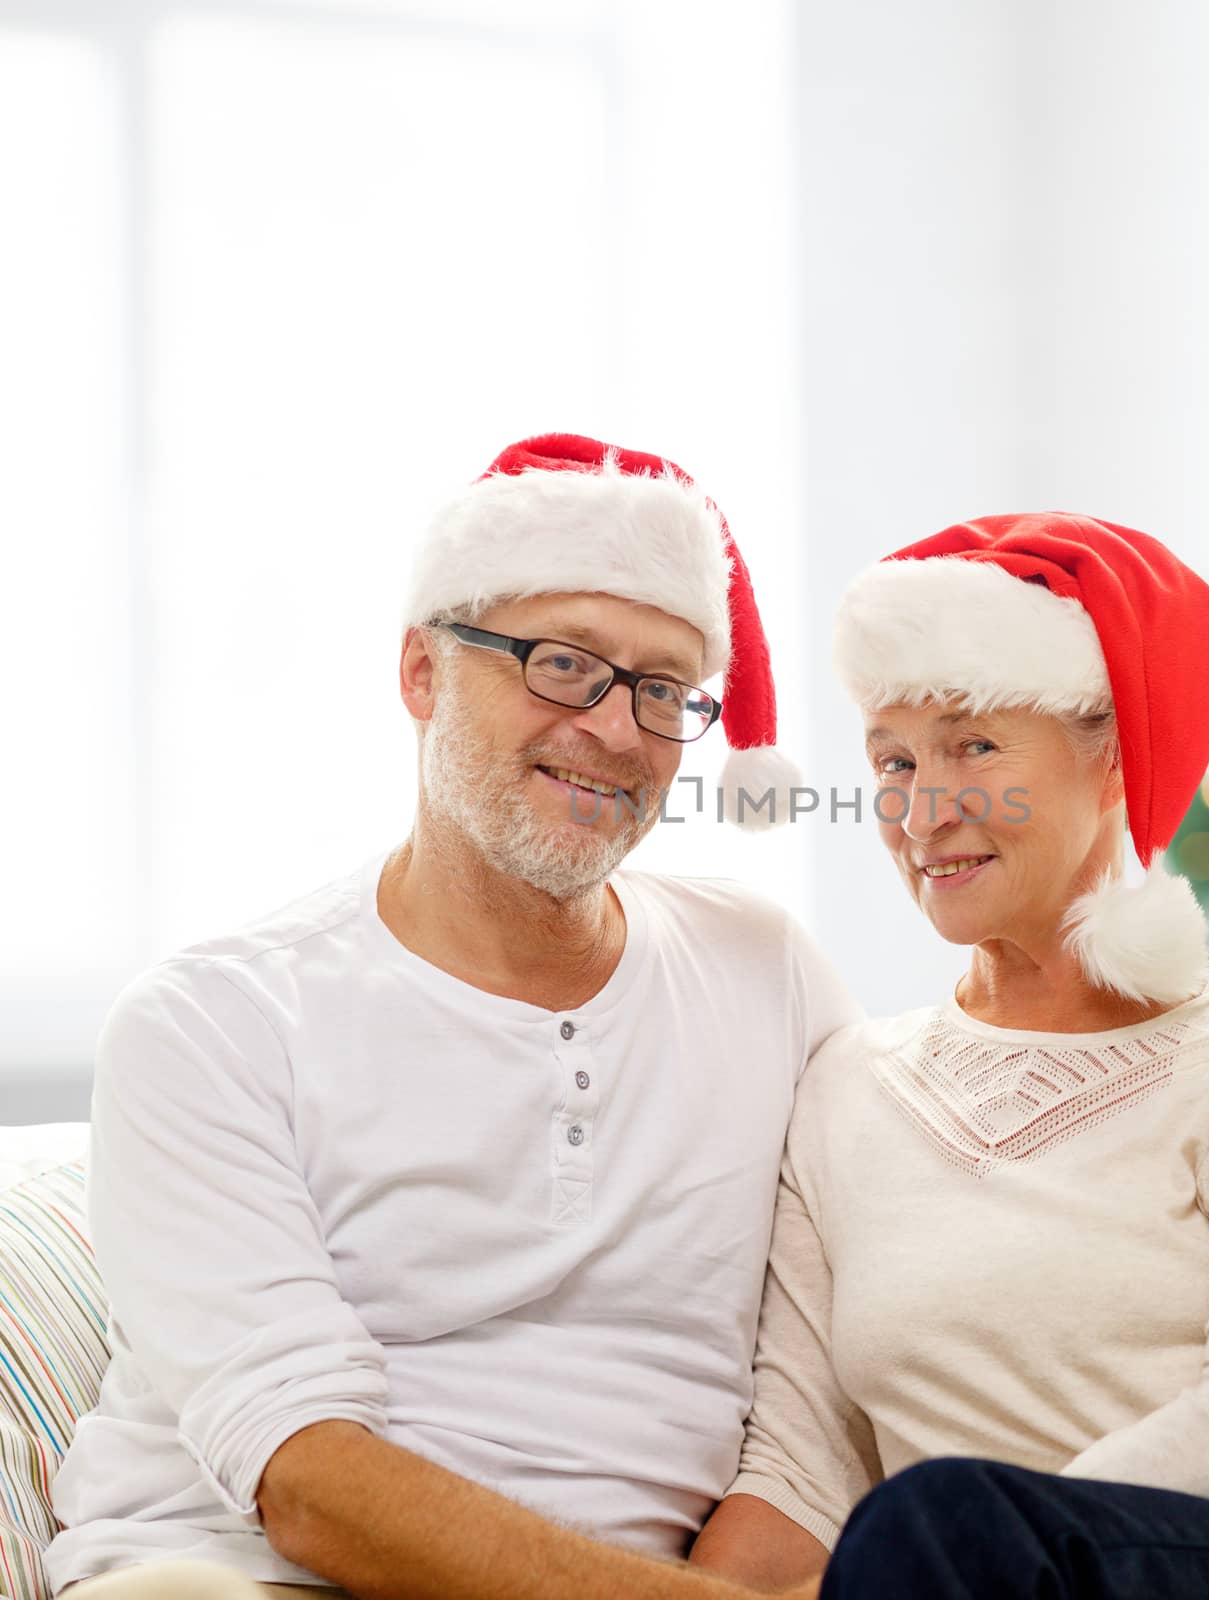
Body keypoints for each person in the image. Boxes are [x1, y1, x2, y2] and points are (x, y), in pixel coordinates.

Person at [45, 434, 859, 1600]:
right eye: (564, 663)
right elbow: (307, 1482)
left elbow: (813, 1401)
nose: (620, 731)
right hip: (244, 1577)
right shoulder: (212, 1021)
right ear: (423, 671)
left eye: (664, 689)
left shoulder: (767, 973)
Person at [687, 513, 1209, 1599]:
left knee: (946, 1523)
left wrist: (975, 1556)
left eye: (975, 745)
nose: (923, 810)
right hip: (971, 1568)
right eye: (893, 759)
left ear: (1111, 755)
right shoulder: (846, 1090)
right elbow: (798, 1476)